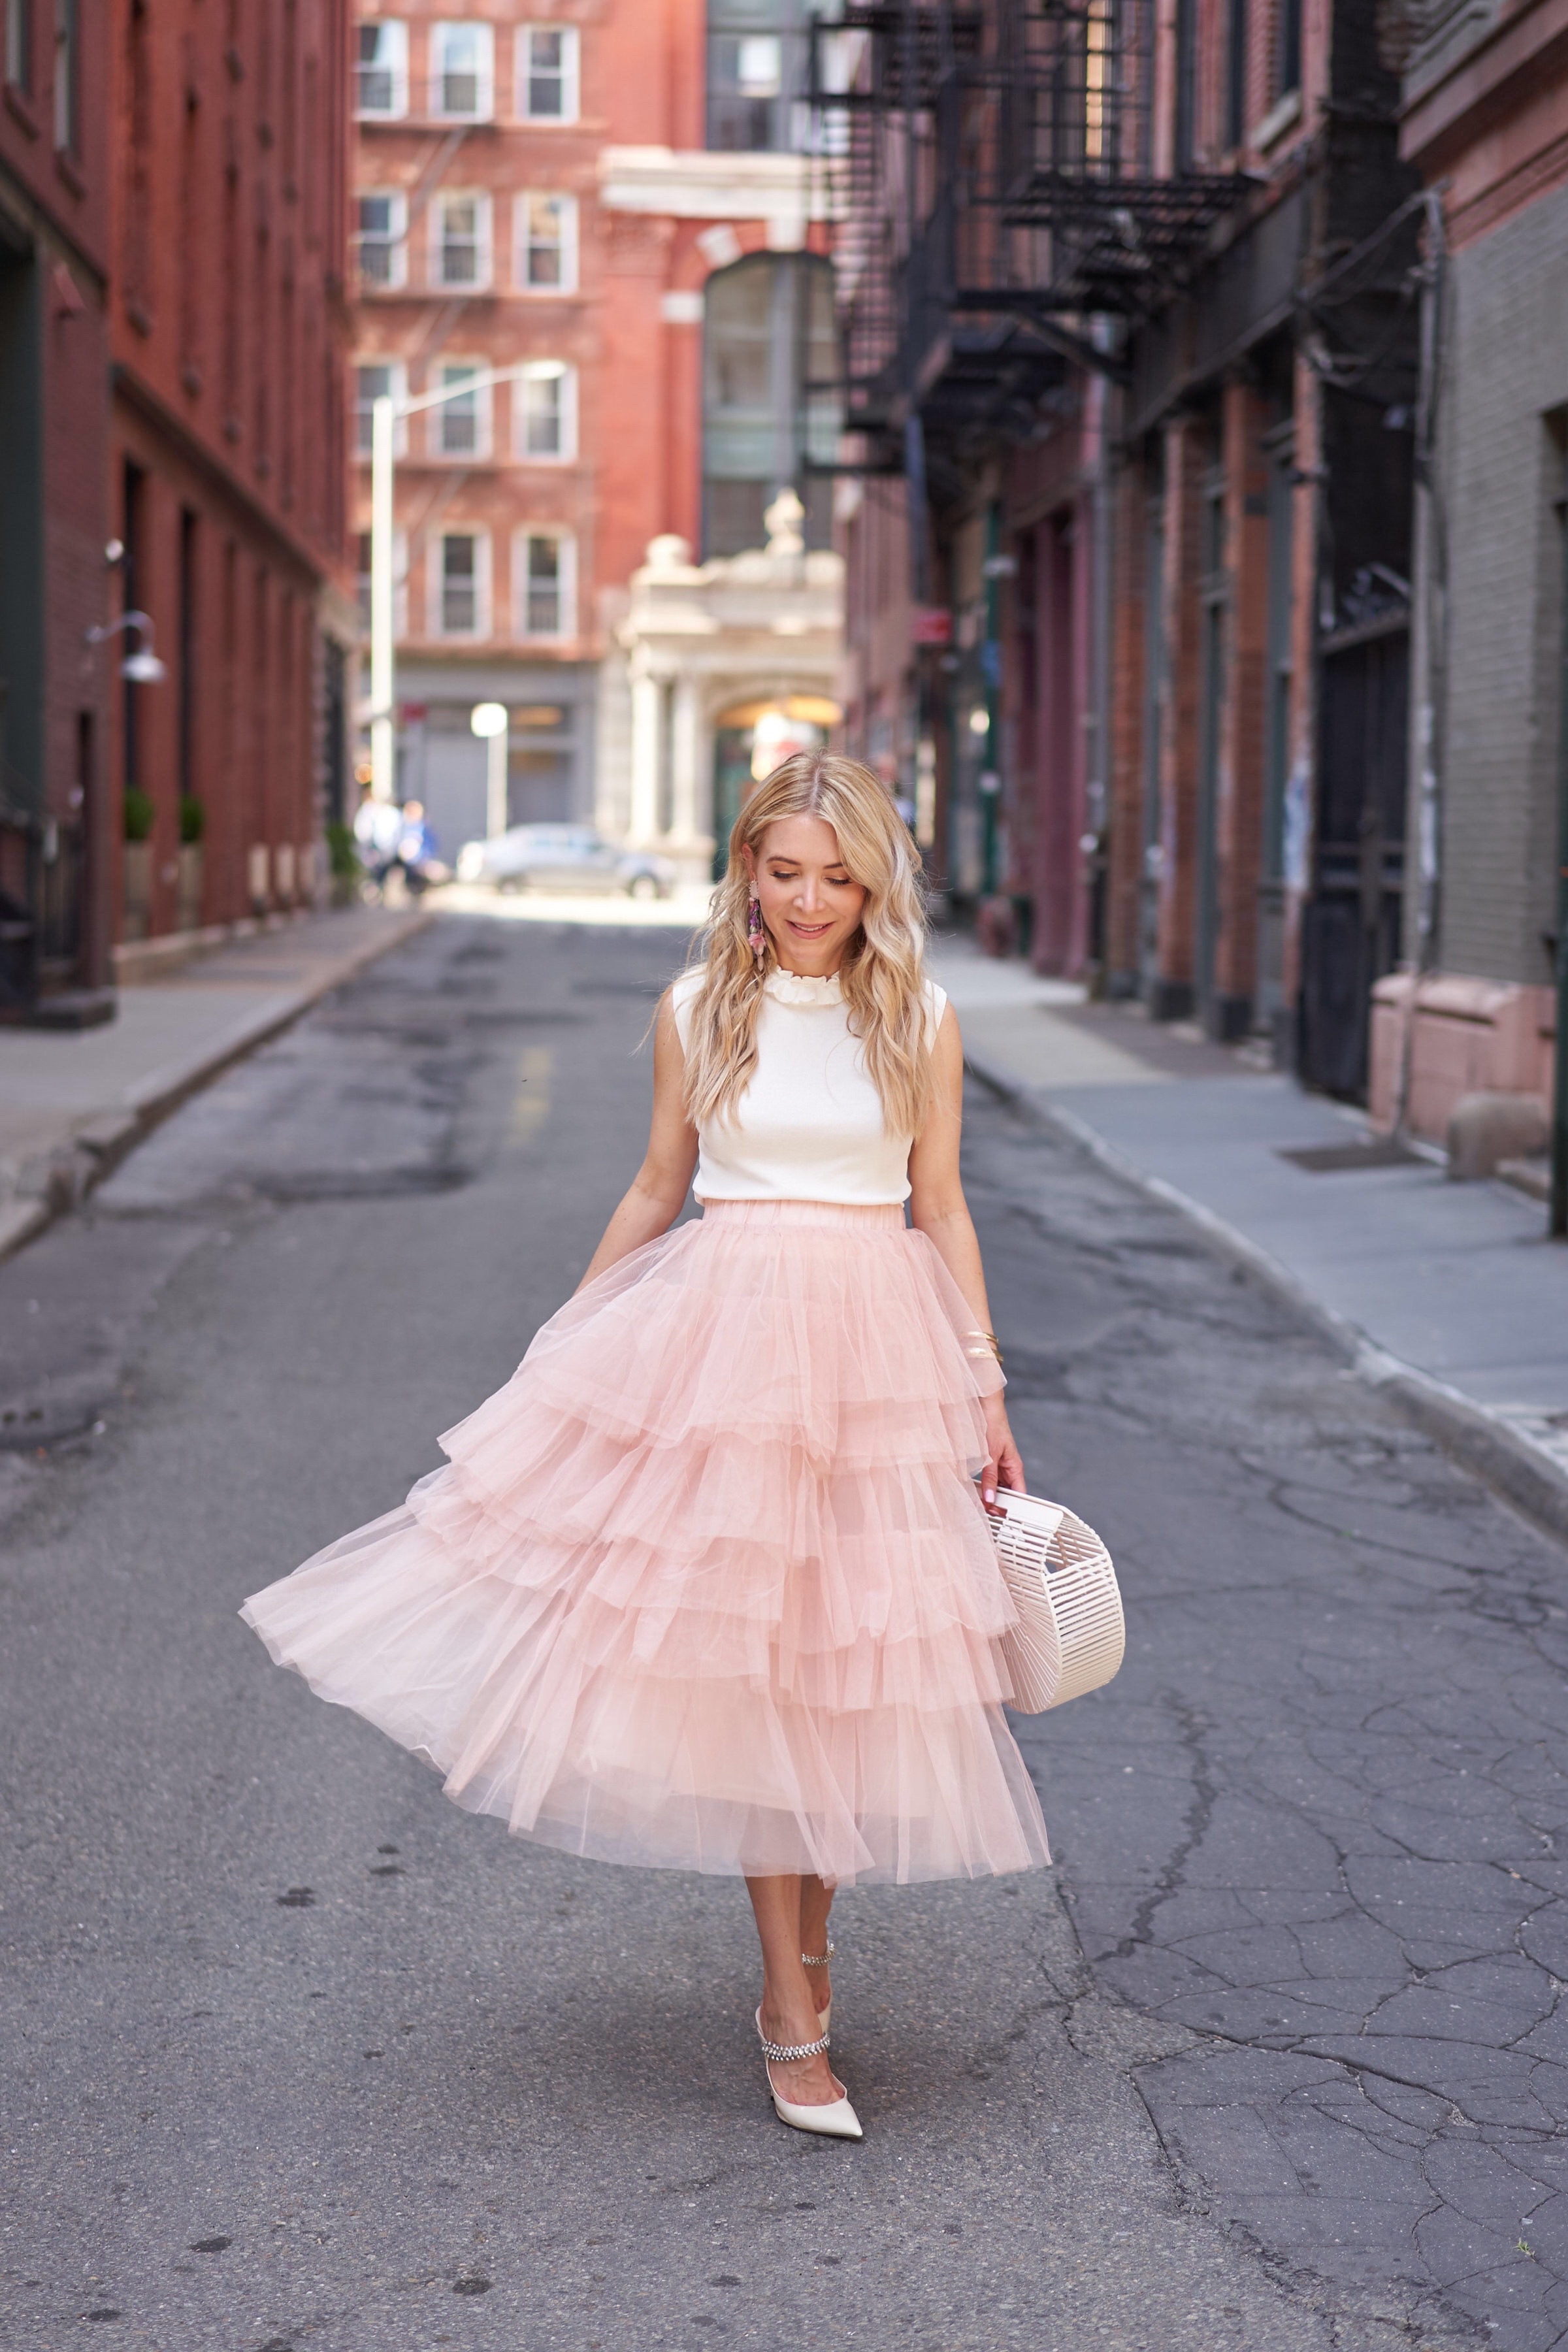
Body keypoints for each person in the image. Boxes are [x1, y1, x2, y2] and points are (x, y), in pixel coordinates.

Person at [241, 751, 1049, 2142]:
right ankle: (791, 2011)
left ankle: (809, 1953)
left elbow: (944, 1208)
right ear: (746, 867)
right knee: (756, 1681)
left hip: (875, 1355)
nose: (807, 902)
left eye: (837, 878)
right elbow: (656, 1187)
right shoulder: (696, 1007)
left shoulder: (920, 1016)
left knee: (849, 1680)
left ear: (875, 884)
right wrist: (569, 1336)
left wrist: (986, 1390)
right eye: (782, 872)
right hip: (725, 1347)